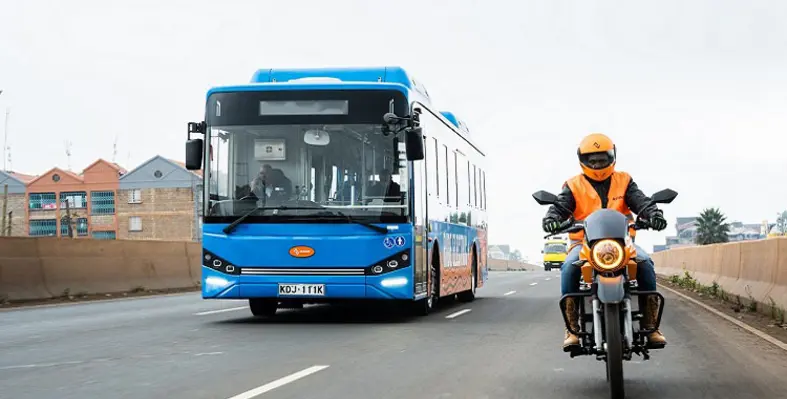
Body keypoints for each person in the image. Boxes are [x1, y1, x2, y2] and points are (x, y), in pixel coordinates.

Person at [542, 133, 669, 350]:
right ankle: (572, 327)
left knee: (645, 264)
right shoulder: (573, 185)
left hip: (623, 244)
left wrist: (654, 215)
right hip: (584, 245)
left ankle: (651, 325)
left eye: (602, 159)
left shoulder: (625, 181)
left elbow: (642, 202)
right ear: (583, 160)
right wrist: (552, 220)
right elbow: (559, 208)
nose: (597, 164)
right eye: (592, 160)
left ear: (612, 157)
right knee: (569, 270)